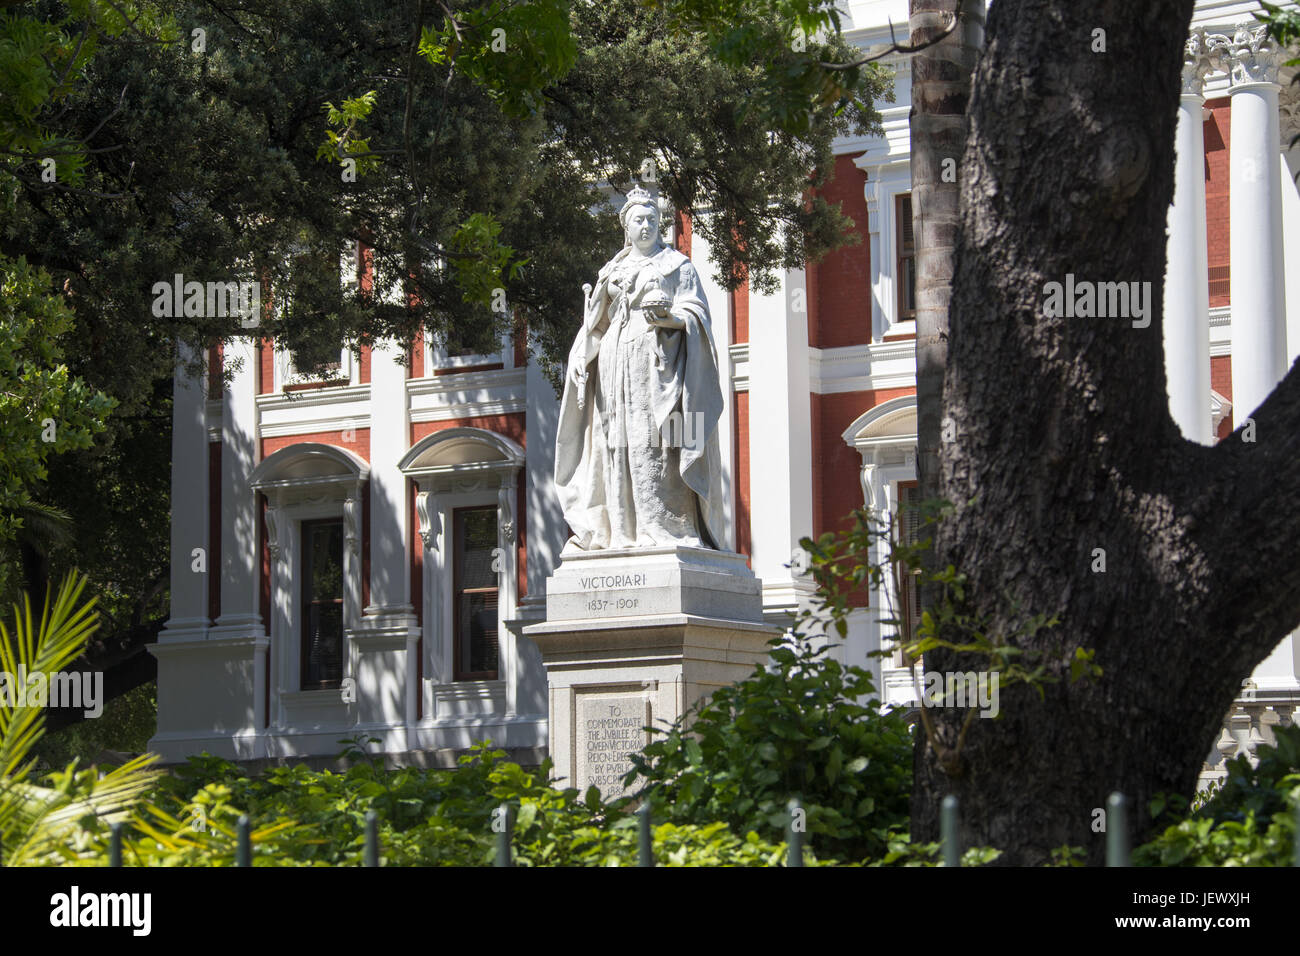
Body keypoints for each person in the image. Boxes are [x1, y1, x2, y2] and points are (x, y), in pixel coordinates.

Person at [554, 186, 726, 552]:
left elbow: (698, 315)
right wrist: (581, 359)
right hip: (615, 368)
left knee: (660, 444)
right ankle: (621, 531)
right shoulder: (610, 273)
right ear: (625, 227)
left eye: (652, 219)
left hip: (660, 371)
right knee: (616, 444)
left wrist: (670, 317)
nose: (646, 225)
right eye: (638, 220)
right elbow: (595, 326)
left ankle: (665, 528)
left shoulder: (677, 267)